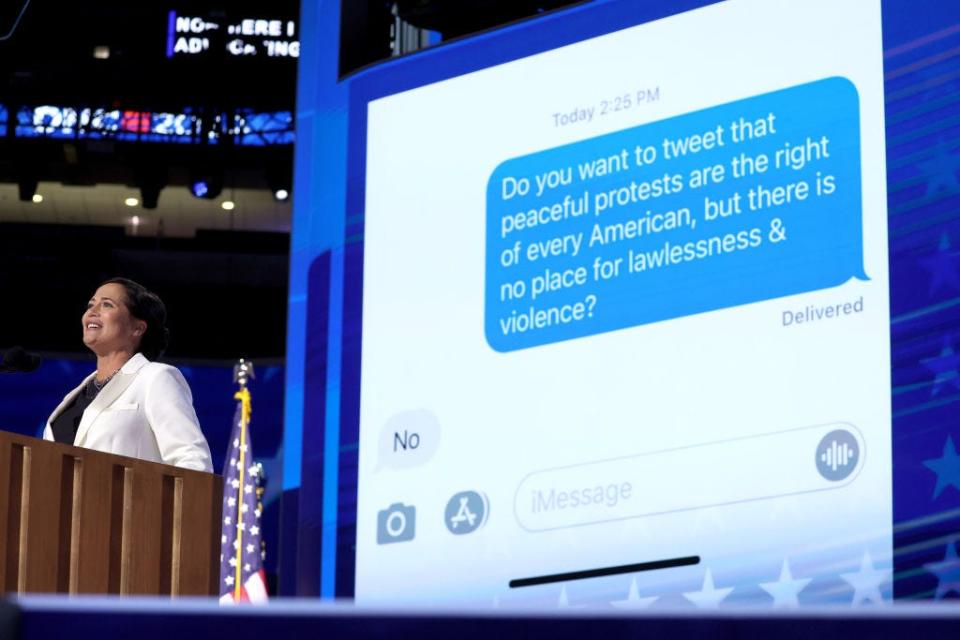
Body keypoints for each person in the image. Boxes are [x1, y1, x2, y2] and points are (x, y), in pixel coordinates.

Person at [43, 277, 213, 472]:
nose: (92, 311)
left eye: (107, 304)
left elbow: (192, 460)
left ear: (138, 328)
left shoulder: (156, 378)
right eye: (91, 304)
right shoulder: (72, 399)